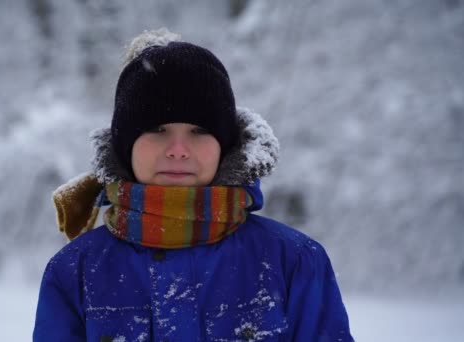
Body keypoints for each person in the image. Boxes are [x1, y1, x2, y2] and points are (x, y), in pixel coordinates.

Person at [33, 28, 354, 341]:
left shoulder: (294, 262)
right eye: (157, 129)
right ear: (124, 146)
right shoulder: (75, 271)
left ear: (224, 146)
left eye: (199, 130)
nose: (177, 149)